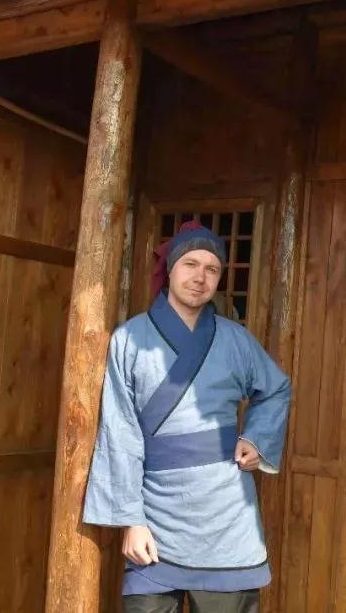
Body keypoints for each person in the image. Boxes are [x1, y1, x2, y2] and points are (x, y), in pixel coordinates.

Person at [82, 221, 291, 613]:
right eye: (190, 264)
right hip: (154, 519)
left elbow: (276, 388)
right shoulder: (129, 339)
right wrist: (131, 520)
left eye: (212, 269)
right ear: (170, 270)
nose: (200, 277)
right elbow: (119, 432)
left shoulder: (236, 340)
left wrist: (256, 438)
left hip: (227, 517)